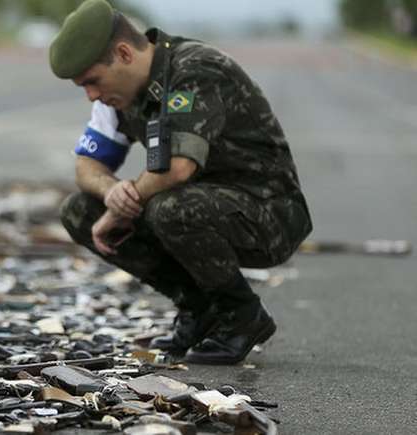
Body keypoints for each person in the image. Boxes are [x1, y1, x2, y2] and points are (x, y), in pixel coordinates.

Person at [50, 0, 312, 365]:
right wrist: (112, 193)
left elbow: (177, 168)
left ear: (124, 53)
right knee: (80, 210)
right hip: (198, 209)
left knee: (169, 207)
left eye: (92, 81)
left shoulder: (194, 70)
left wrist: (126, 204)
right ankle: (199, 307)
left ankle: (242, 315)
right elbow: (86, 165)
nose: (91, 95)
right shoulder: (116, 97)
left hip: (268, 213)